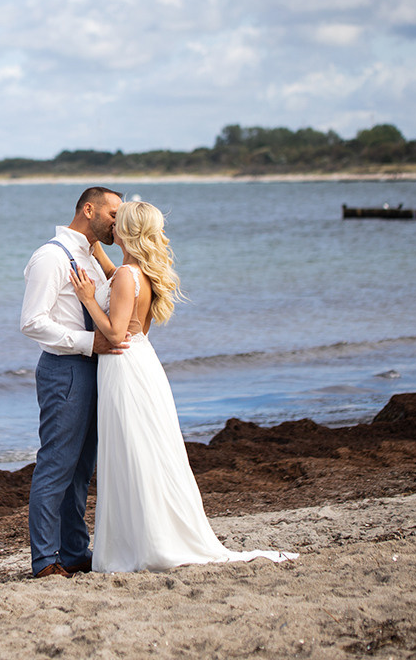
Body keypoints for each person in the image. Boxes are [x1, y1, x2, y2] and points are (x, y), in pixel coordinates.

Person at [70, 201, 298, 572]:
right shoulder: (137, 271)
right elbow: (118, 282)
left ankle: (144, 543)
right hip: (141, 364)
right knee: (142, 451)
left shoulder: (128, 275)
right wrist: (93, 247)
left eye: (117, 223)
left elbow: (113, 332)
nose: (111, 227)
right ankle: (147, 536)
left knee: (134, 452)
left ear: (126, 231)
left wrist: (85, 298)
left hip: (124, 367)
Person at [20, 186, 126, 578]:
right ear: (89, 209)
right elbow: (32, 321)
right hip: (64, 370)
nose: (119, 221)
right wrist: (88, 342)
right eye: (114, 214)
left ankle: (74, 550)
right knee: (56, 466)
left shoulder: (91, 256)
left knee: (81, 469)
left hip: (93, 369)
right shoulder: (50, 257)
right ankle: (45, 560)